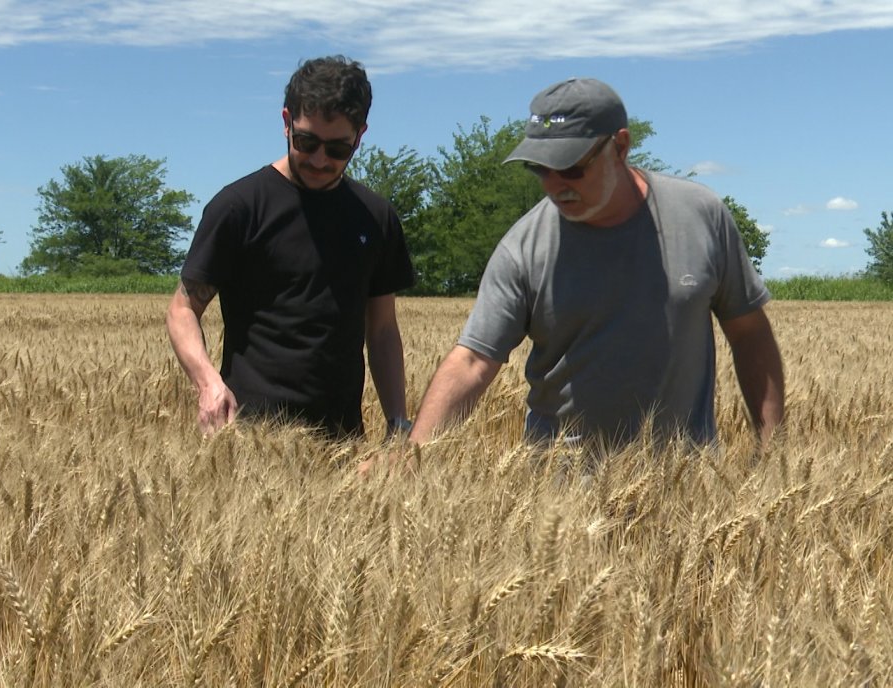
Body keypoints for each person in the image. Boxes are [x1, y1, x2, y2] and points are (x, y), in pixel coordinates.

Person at [405, 77, 784, 455]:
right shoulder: (522, 249)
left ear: (620, 146)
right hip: (563, 500)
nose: (554, 185)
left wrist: (771, 449)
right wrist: (413, 453)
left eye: (570, 167)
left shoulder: (702, 216)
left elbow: (749, 334)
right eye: (539, 168)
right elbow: (472, 360)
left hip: (688, 496)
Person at [166, 55, 414, 440]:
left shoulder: (376, 218)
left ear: (360, 136)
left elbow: (382, 330)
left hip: (343, 446)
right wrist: (208, 384)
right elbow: (183, 309)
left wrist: (397, 421)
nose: (319, 159)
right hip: (249, 440)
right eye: (306, 141)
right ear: (285, 122)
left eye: (337, 149)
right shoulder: (239, 208)